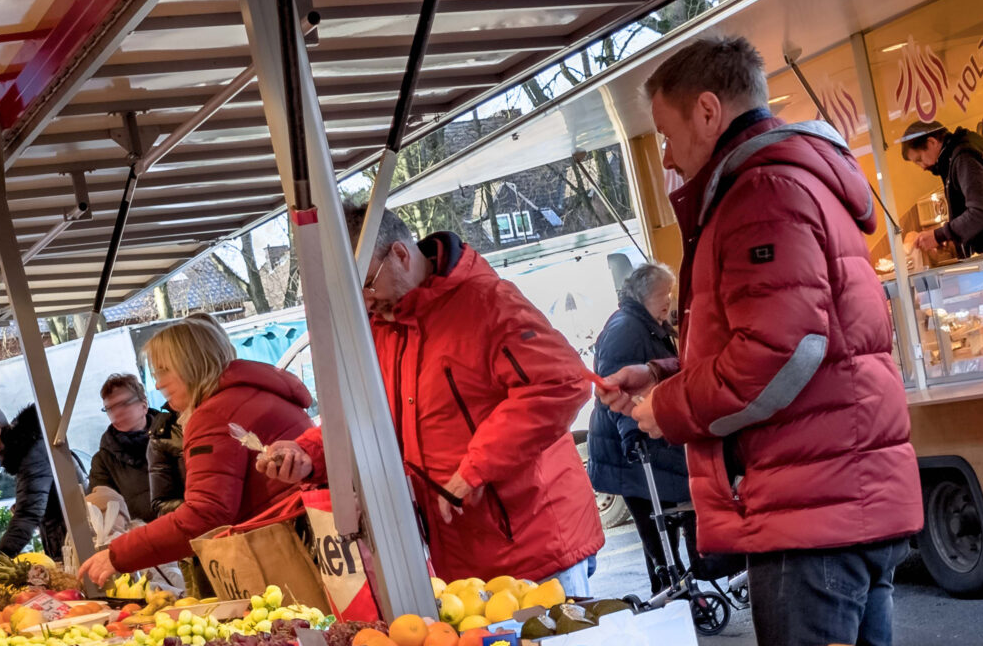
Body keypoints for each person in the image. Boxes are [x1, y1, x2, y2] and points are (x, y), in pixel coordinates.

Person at [599, 34, 921, 646]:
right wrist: (663, 373)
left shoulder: (761, 194)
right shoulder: (784, 184)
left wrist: (668, 408)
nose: (665, 155)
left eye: (666, 131)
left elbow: (783, 353)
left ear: (709, 112)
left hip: (810, 515)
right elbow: (780, 333)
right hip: (837, 500)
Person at [277, 205, 602, 592]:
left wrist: (476, 467)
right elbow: (360, 418)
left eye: (366, 284)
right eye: (348, 294)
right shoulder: (378, 329)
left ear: (400, 254)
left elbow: (562, 384)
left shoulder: (488, 303)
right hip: (458, 557)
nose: (364, 302)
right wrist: (308, 454)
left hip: (535, 545)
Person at [78, 317, 319, 585]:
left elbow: (207, 515)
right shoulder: (257, 393)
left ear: (189, 366)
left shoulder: (215, 414)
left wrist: (119, 554)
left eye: (163, 371)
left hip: (288, 554)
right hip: (312, 537)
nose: (157, 384)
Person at [585, 263, 696, 589]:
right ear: (644, 295)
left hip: (646, 444)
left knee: (665, 527)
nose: (668, 301)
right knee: (658, 534)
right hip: (630, 450)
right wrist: (632, 434)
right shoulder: (626, 329)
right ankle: (668, 592)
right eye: (663, 294)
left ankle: (674, 589)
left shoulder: (645, 324)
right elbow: (615, 387)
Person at [0, 393, 69, 559]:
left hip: (73, 537)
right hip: (61, 538)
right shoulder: (22, 452)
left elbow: (28, 514)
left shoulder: (31, 452)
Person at [899, 119, 983, 258]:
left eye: (920, 159)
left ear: (932, 142)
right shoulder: (956, 154)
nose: (922, 167)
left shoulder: (965, 156)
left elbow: (982, 211)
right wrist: (947, 236)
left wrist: (940, 235)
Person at [86, 372, 184, 526]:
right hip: (146, 540)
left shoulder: (176, 433)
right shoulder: (103, 462)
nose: (116, 413)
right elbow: (104, 514)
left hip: (191, 525)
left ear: (144, 405)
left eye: (123, 404)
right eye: (110, 408)